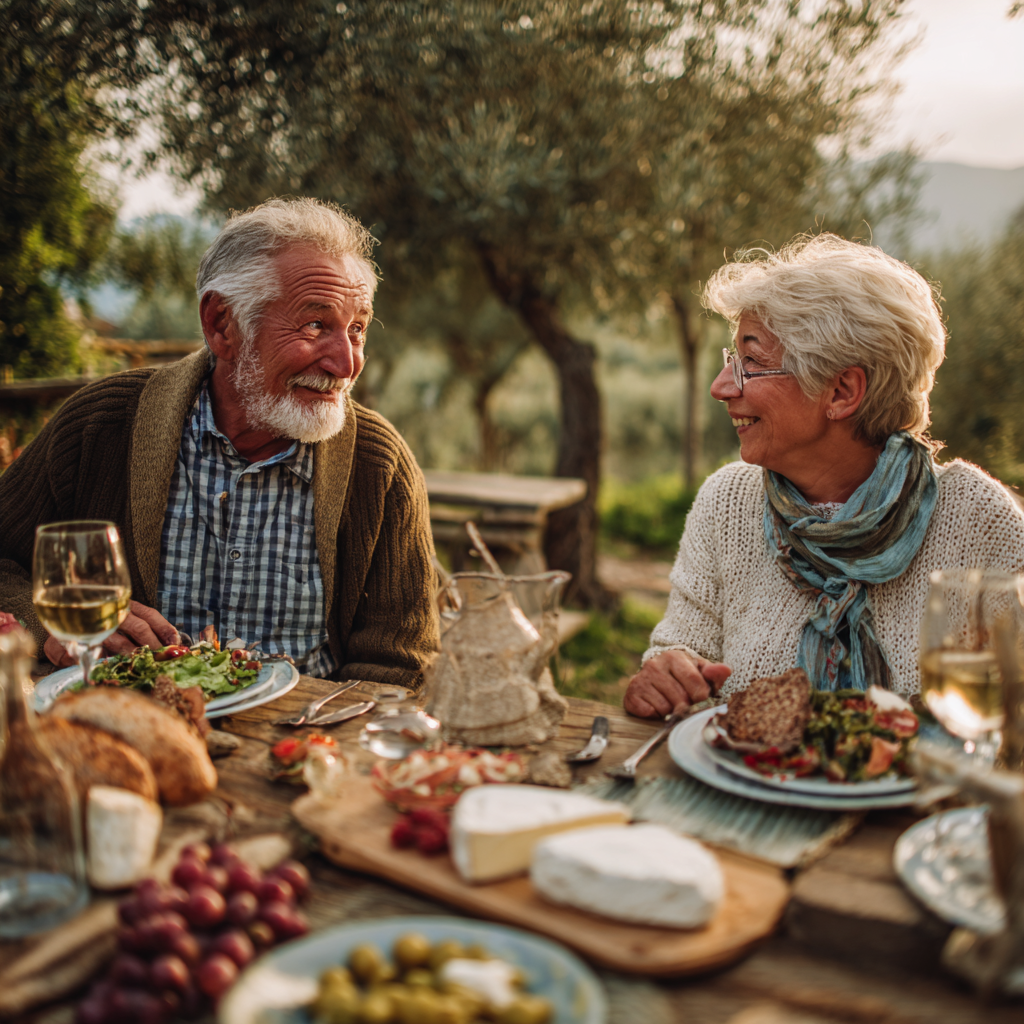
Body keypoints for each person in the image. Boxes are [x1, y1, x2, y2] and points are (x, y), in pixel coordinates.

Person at [0, 198, 438, 689]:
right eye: (315, 325)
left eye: (356, 329)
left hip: (295, 749)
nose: (347, 363)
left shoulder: (378, 465)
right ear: (222, 324)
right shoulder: (101, 424)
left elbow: (401, 667)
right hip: (124, 736)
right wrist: (48, 625)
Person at [625, 233, 1024, 719]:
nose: (722, 386)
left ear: (841, 391)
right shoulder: (726, 502)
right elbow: (680, 659)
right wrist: (664, 680)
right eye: (732, 360)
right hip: (749, 789)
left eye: (751, 362)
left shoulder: (978, 519)